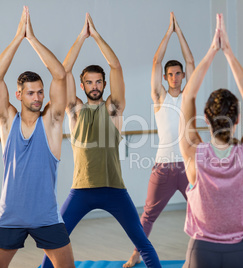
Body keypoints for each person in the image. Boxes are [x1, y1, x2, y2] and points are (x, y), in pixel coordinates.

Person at [41, 13, 161, 268]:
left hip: (114, 189)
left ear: (104, 83)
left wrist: (95, 36)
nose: (94, 86)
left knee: (142, 243)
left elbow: (116, 66)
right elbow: (63, 72)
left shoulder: (113, 109)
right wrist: (80, 38)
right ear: (82, 86)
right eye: (89, 82)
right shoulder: (74, 109)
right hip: (81, 189)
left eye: (98, 82)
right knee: (55, 242)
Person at [180, 14, 243, 268]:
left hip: (201, 250)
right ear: (237, 120)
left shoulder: (195, 155)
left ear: (206, 118)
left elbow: (188, 98)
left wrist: (211, 52)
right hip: (242, 251)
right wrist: (227, 51)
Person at [0, 7, 74, 268]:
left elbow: (60, 75)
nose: (38, 97)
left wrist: (32, 39)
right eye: (31, 93)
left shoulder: (51, 121)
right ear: (18, 95)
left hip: (47, 218)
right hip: (10, 217)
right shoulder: (8, 121)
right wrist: (17, 37)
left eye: (40, 92)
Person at [125, 12, 194, 267]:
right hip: (163, 168)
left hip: (188, 169)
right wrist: (169, 32)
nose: (175, 77)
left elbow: (191, 59)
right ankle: (136, 254)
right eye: (171, 74)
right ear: (165, 78)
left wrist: (180, 33)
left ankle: (197, 256)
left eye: (179, 73)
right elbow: (156, 60)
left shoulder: (189, 97)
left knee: (200, 213)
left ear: (183, 76)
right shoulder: (160, 98)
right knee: (148, 215)